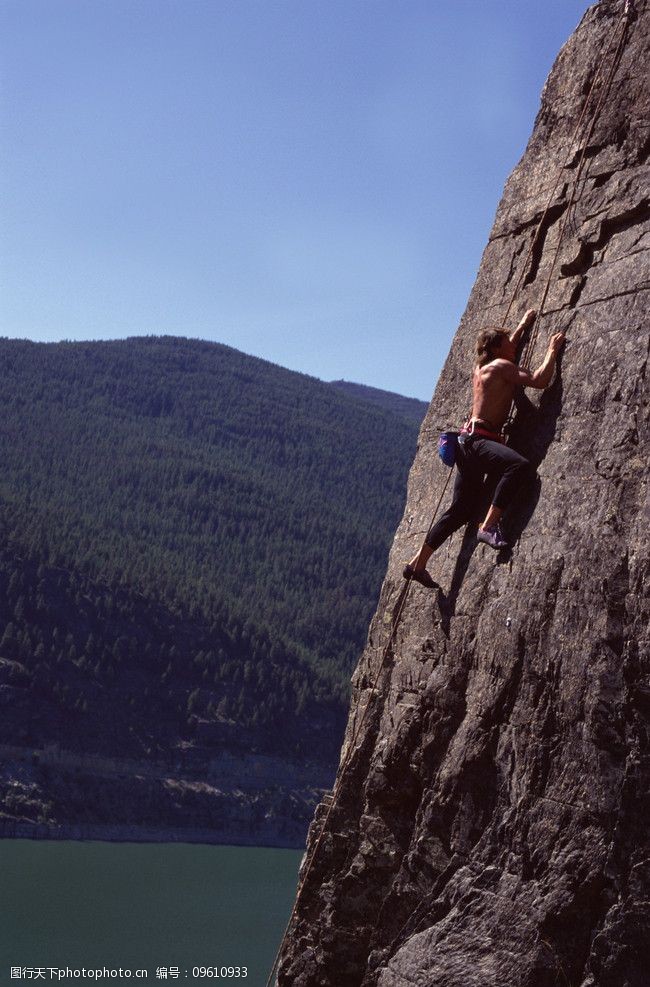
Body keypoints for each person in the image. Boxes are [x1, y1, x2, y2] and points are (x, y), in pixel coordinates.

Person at [404, 309, 565, 588]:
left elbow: (507, 348)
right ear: (497, 348)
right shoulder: (502, 367)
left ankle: (418, 563)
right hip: (480, 443)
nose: (513, 346)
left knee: (461, 509)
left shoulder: (481, 368)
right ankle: (489, 526)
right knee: (519, 467)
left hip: (467, 443)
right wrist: (552, 351)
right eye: (507, 343)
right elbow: (540, 380)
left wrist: (522, 325)